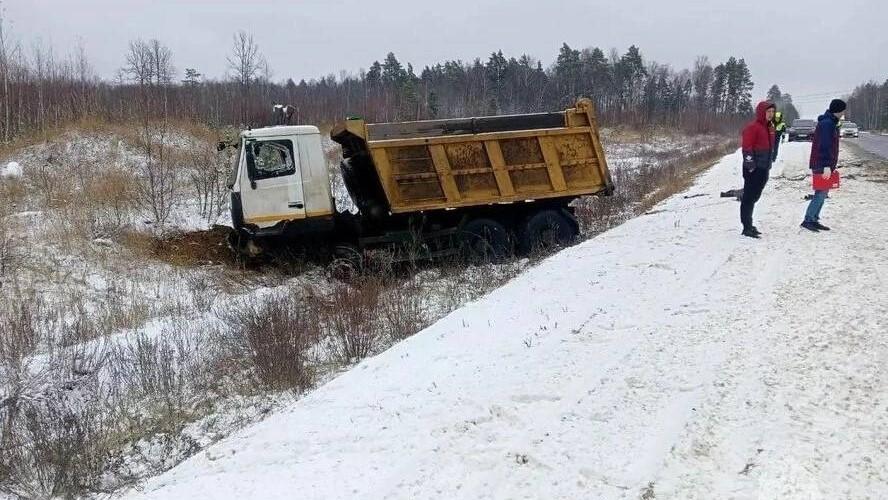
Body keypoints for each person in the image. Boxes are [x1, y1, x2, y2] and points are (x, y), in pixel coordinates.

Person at [801, 99, 845, 232]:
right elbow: (824, 145)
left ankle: (814, 218)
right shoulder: (827, 124)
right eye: (843, 110)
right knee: (820, 193)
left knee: (823, 192)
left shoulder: (830, 122)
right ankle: (808, 220)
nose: (844, 113)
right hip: (821, 163)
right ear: (838, 110)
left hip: (825, 163)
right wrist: (826, 165)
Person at [739, 101, 776, 238]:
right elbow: (747, 148)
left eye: (772, 112)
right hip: (753, 169)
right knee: (748, 198)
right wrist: (750, 166)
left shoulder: (771, 127)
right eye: (768, 112)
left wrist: (771, 160)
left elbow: (770, 147)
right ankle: (746, 226)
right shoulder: (752, 127)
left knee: (755, 196)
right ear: (762, 112)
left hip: (764, 168)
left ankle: (749, 224)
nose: (771, 114)